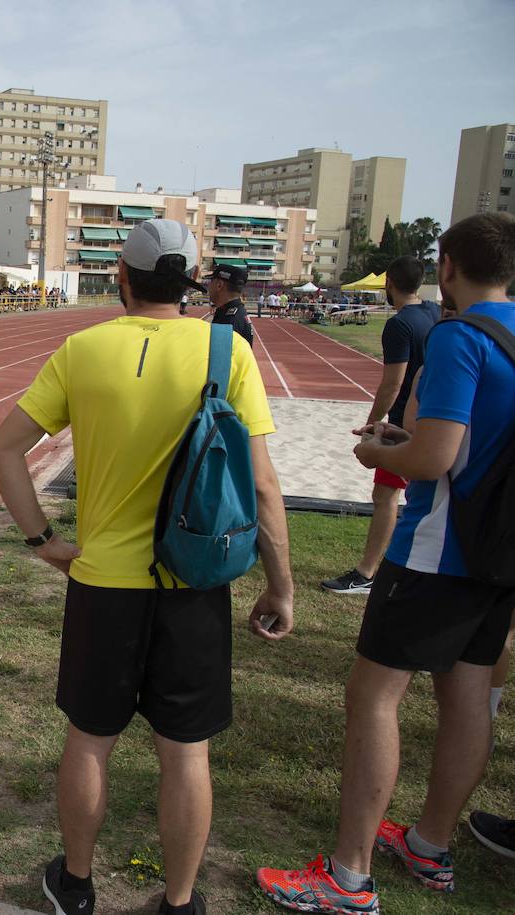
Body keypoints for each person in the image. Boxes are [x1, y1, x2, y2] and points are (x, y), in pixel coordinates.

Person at [0, 219, 292, 915]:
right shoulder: (227, 349)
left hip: (103, 583)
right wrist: (281, 583)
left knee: (90, 739)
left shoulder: (83, 348)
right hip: (195, 584)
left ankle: (76, 883)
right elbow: (265, 486)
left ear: (120, 276)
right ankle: (179, 902)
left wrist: (43, 540)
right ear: (188, 282)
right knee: (185, 751)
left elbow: (2, 452)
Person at [257, 212, 515, 914]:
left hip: (436, 551)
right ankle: (430, 846)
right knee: (467, 698)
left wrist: (379, 453)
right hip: (501, 554)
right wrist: (417, 438)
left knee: (374, 696)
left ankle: (348, 874)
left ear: (450, 267)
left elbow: (433, 460)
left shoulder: (460, 337)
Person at [321, 256, 439, 594]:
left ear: (388, 283)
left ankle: (367, 572)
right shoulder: (431, 313)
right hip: (429, 418)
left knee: (385, 495)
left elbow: (393, 382)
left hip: (403, 423)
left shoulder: (400, 325)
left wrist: (373, 424)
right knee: (415, 496)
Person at [207, 263, 254, 347]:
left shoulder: (229, 320)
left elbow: (220, 357)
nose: (209, 286)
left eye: (211, 281)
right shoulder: (233, 312)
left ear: (219, 285)